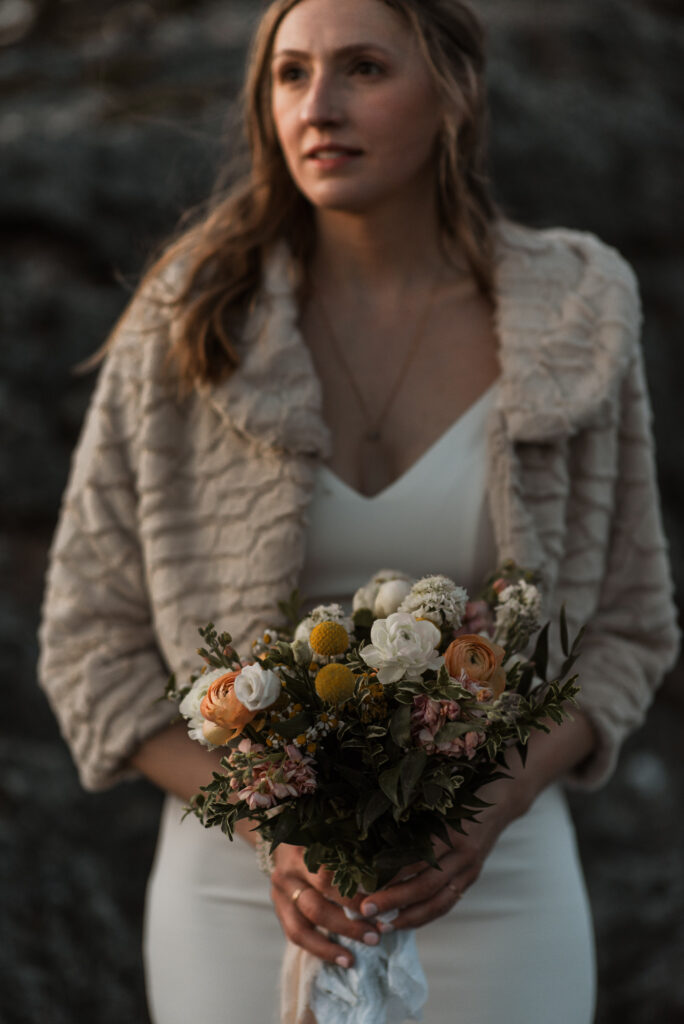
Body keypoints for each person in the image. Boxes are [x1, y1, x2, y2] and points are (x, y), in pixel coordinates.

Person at [38, 0, 680, 1022]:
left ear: (453, 94)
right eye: (290, 74)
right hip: (238, 892)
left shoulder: (578, 313)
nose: (318, 107)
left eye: (364, 69)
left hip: (494, 879)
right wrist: (271, 829)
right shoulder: (189, 318)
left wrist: (497, 799)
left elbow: (632, 626)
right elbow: (87, 645)